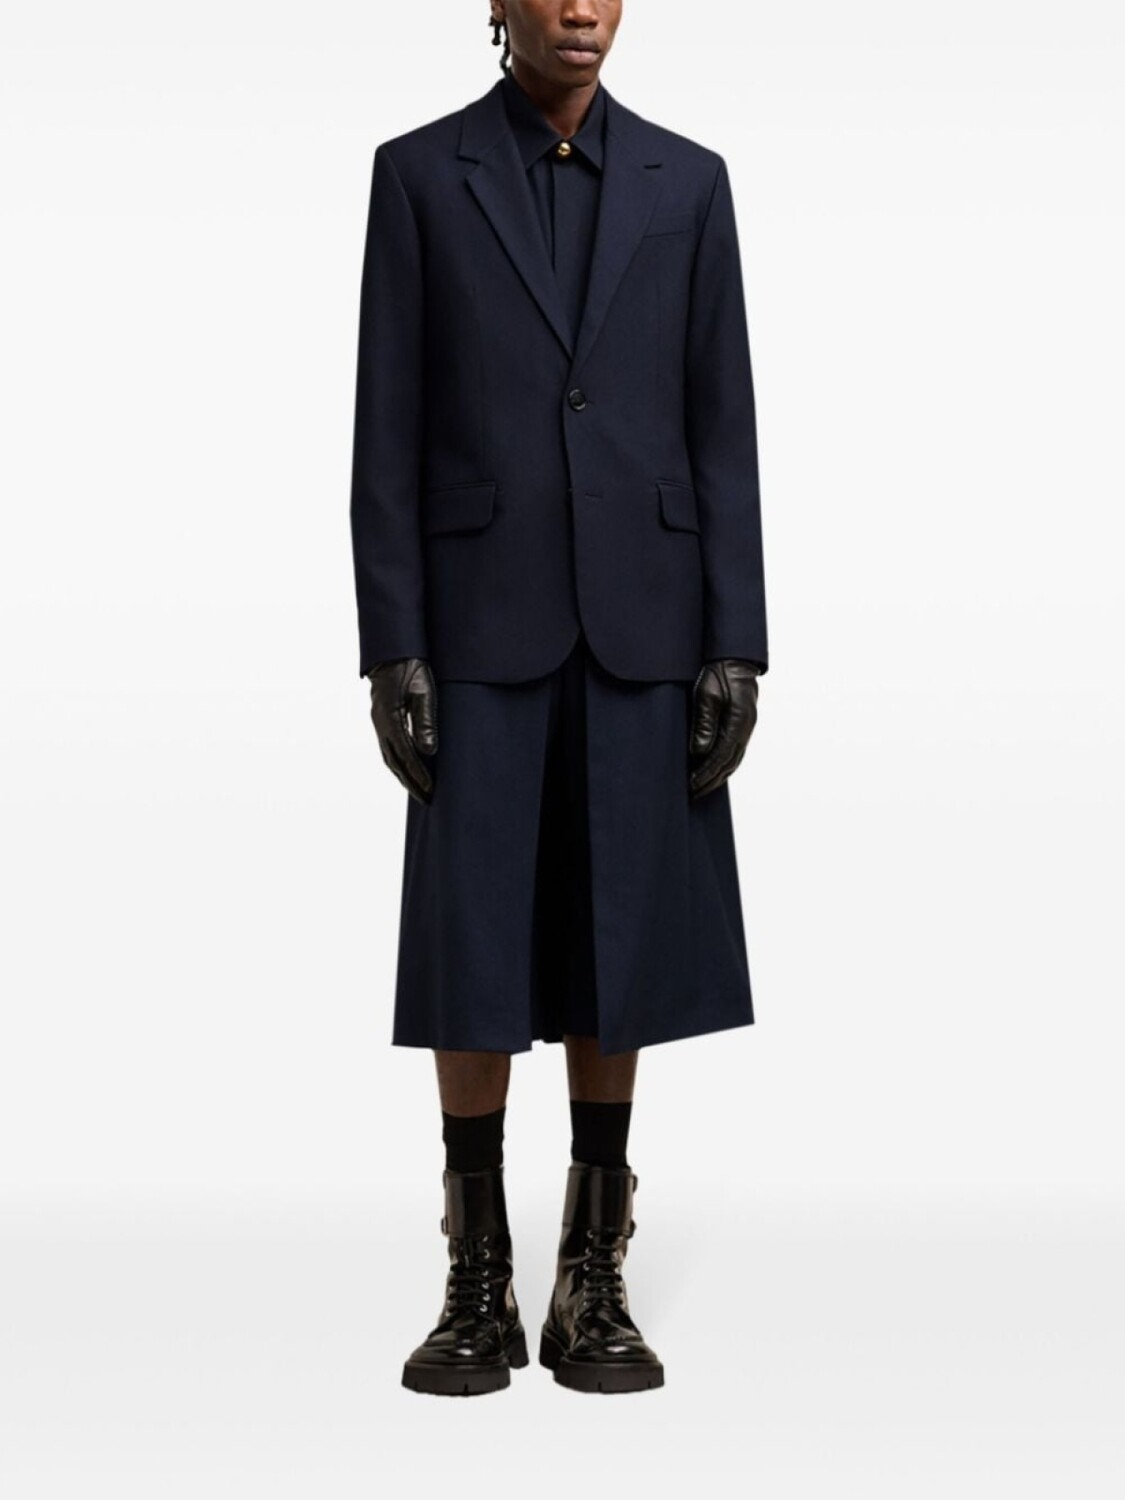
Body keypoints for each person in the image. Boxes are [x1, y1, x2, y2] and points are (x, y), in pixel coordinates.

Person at [349, 0, 768, 1397]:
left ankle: (593, 1268)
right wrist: (392, 645)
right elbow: (386, 426)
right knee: (472, 943)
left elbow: (722, 423)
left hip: (648, 618)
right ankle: (476, 1273)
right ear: (496, 4)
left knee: (619, 932)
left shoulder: (688, 182)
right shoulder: (420, 175)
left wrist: (737, 642)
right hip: (477, 618)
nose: (582, 7)